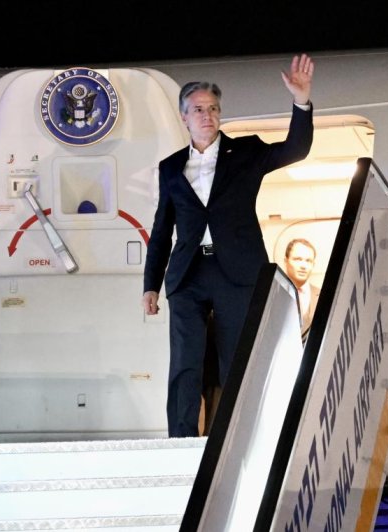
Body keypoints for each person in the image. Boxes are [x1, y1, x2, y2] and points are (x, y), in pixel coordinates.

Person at [142, 54, 315, 437]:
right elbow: (161, 229)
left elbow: (295, 149)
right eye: (198, 110)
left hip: (235, 270)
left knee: (234, 358)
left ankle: (240, 436)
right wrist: (150, 285)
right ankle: (181, 439)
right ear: (184, 117)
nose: (207, 115)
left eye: (213, 109)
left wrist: (301, 102)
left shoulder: (247, 152)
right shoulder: (171, 167)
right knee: (185, 361)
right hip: (187, 274)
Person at [284, 238, 321, 341]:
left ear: (313, 265)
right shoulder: (272, 293)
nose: (303, 266)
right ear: (286, 261)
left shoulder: (324, 297)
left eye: (308, 261)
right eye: (298, 259)